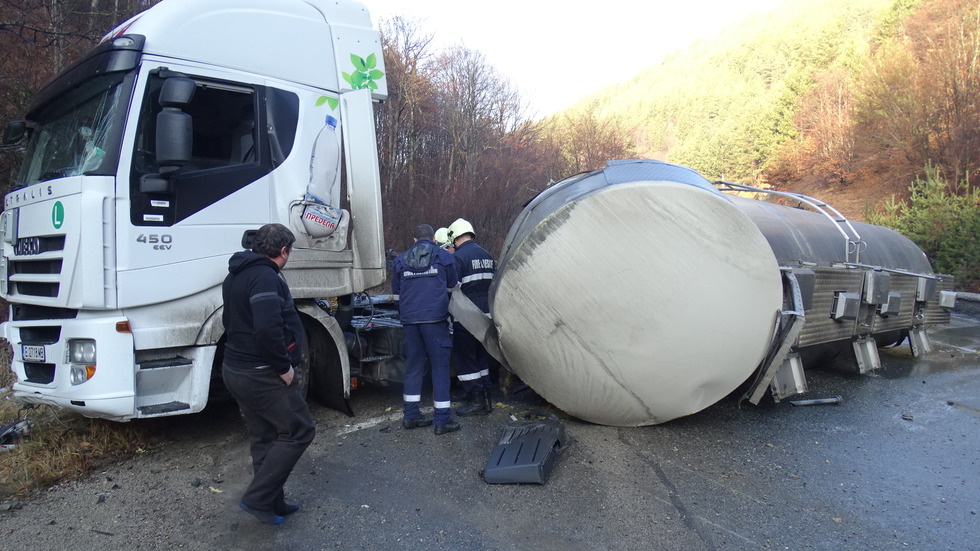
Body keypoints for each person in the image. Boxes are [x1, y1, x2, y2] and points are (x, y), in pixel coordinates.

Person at [221, 223, 315, 525]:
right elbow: (266, 329)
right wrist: (283, 367)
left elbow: (229, 320)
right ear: (283, 251)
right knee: (300, 430)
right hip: (259, 373)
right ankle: (258, 498)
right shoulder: (264, 277)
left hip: (236, 369)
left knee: (265, 435)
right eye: (290, 251)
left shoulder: (235, 274)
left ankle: (271, 502)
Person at [391, 224, 461, 434]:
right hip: (435, 321)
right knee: (440, 368)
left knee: (413, 366)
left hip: (411, 323)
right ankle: (442, 420)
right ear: (433, 239)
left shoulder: (400, 261)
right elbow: (452, 289)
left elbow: (396, 297)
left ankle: (410, 416)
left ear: (414, 239)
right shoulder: (443, 257)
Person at [446, 218, 495, 416]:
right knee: (482, 357)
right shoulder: (487, 254)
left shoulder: (458, 258)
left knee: (466, 359)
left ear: (454, 237)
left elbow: (451, 288)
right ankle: (485, 396)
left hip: (466, 316)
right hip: (487, 314)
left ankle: (476, 400)